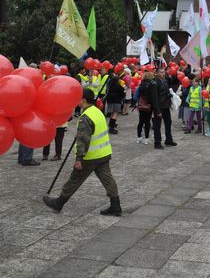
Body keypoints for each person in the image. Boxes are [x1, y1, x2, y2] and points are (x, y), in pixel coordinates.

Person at [43, 88, 122, 216]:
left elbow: (83, 139)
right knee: (107, 179)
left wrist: (79, 159)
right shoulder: (97, 111)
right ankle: (115, 205)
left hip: (90, 157)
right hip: (103, 153)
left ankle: (59, 202)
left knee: (74, 180)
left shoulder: (86, 116)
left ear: (84, 100)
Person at [151, 68, 176, 149]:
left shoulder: (165, 81)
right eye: (161, 72)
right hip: (159, 107)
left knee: (168, 123)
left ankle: (168, 140)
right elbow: (154, 98)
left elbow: (166, 92)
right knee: (157, 125)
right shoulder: (154, 82)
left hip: (166, 106)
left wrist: (170, 96)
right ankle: (157, 143)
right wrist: (157, 111)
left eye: (164, 72)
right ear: (157, 73)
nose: (163, 73)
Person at [135, 71, 154, 144]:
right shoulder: (152, 85)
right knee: (147, 122)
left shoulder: (140, 85)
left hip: (141, 105)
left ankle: (139, 137)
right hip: (149, 105)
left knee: (140, 122)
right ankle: (146, 139)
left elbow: (135, 96)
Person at [104, 70, 125, 134]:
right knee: (115, 113)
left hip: (110, 100)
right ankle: (111, 127)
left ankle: (111, 124)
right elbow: (123, 94)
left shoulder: (110, 86)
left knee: (111, 113)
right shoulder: (119, 86)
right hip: (116, 101)